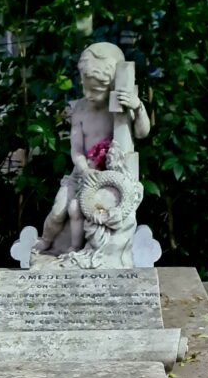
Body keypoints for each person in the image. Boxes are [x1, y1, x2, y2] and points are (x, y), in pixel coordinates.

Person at [34, 42, 150, 255]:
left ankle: (77, 250)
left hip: (111, 179)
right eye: (86, 87)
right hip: (81, 174)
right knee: (58, 211)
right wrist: (84, 170)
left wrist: (138, 107)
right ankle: (46, 241)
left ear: (112, 83)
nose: (89, 94)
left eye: (96, 89)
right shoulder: (79, 109)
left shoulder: (120, 108)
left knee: (82, 211)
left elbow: (142, 133)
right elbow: (76, 149)